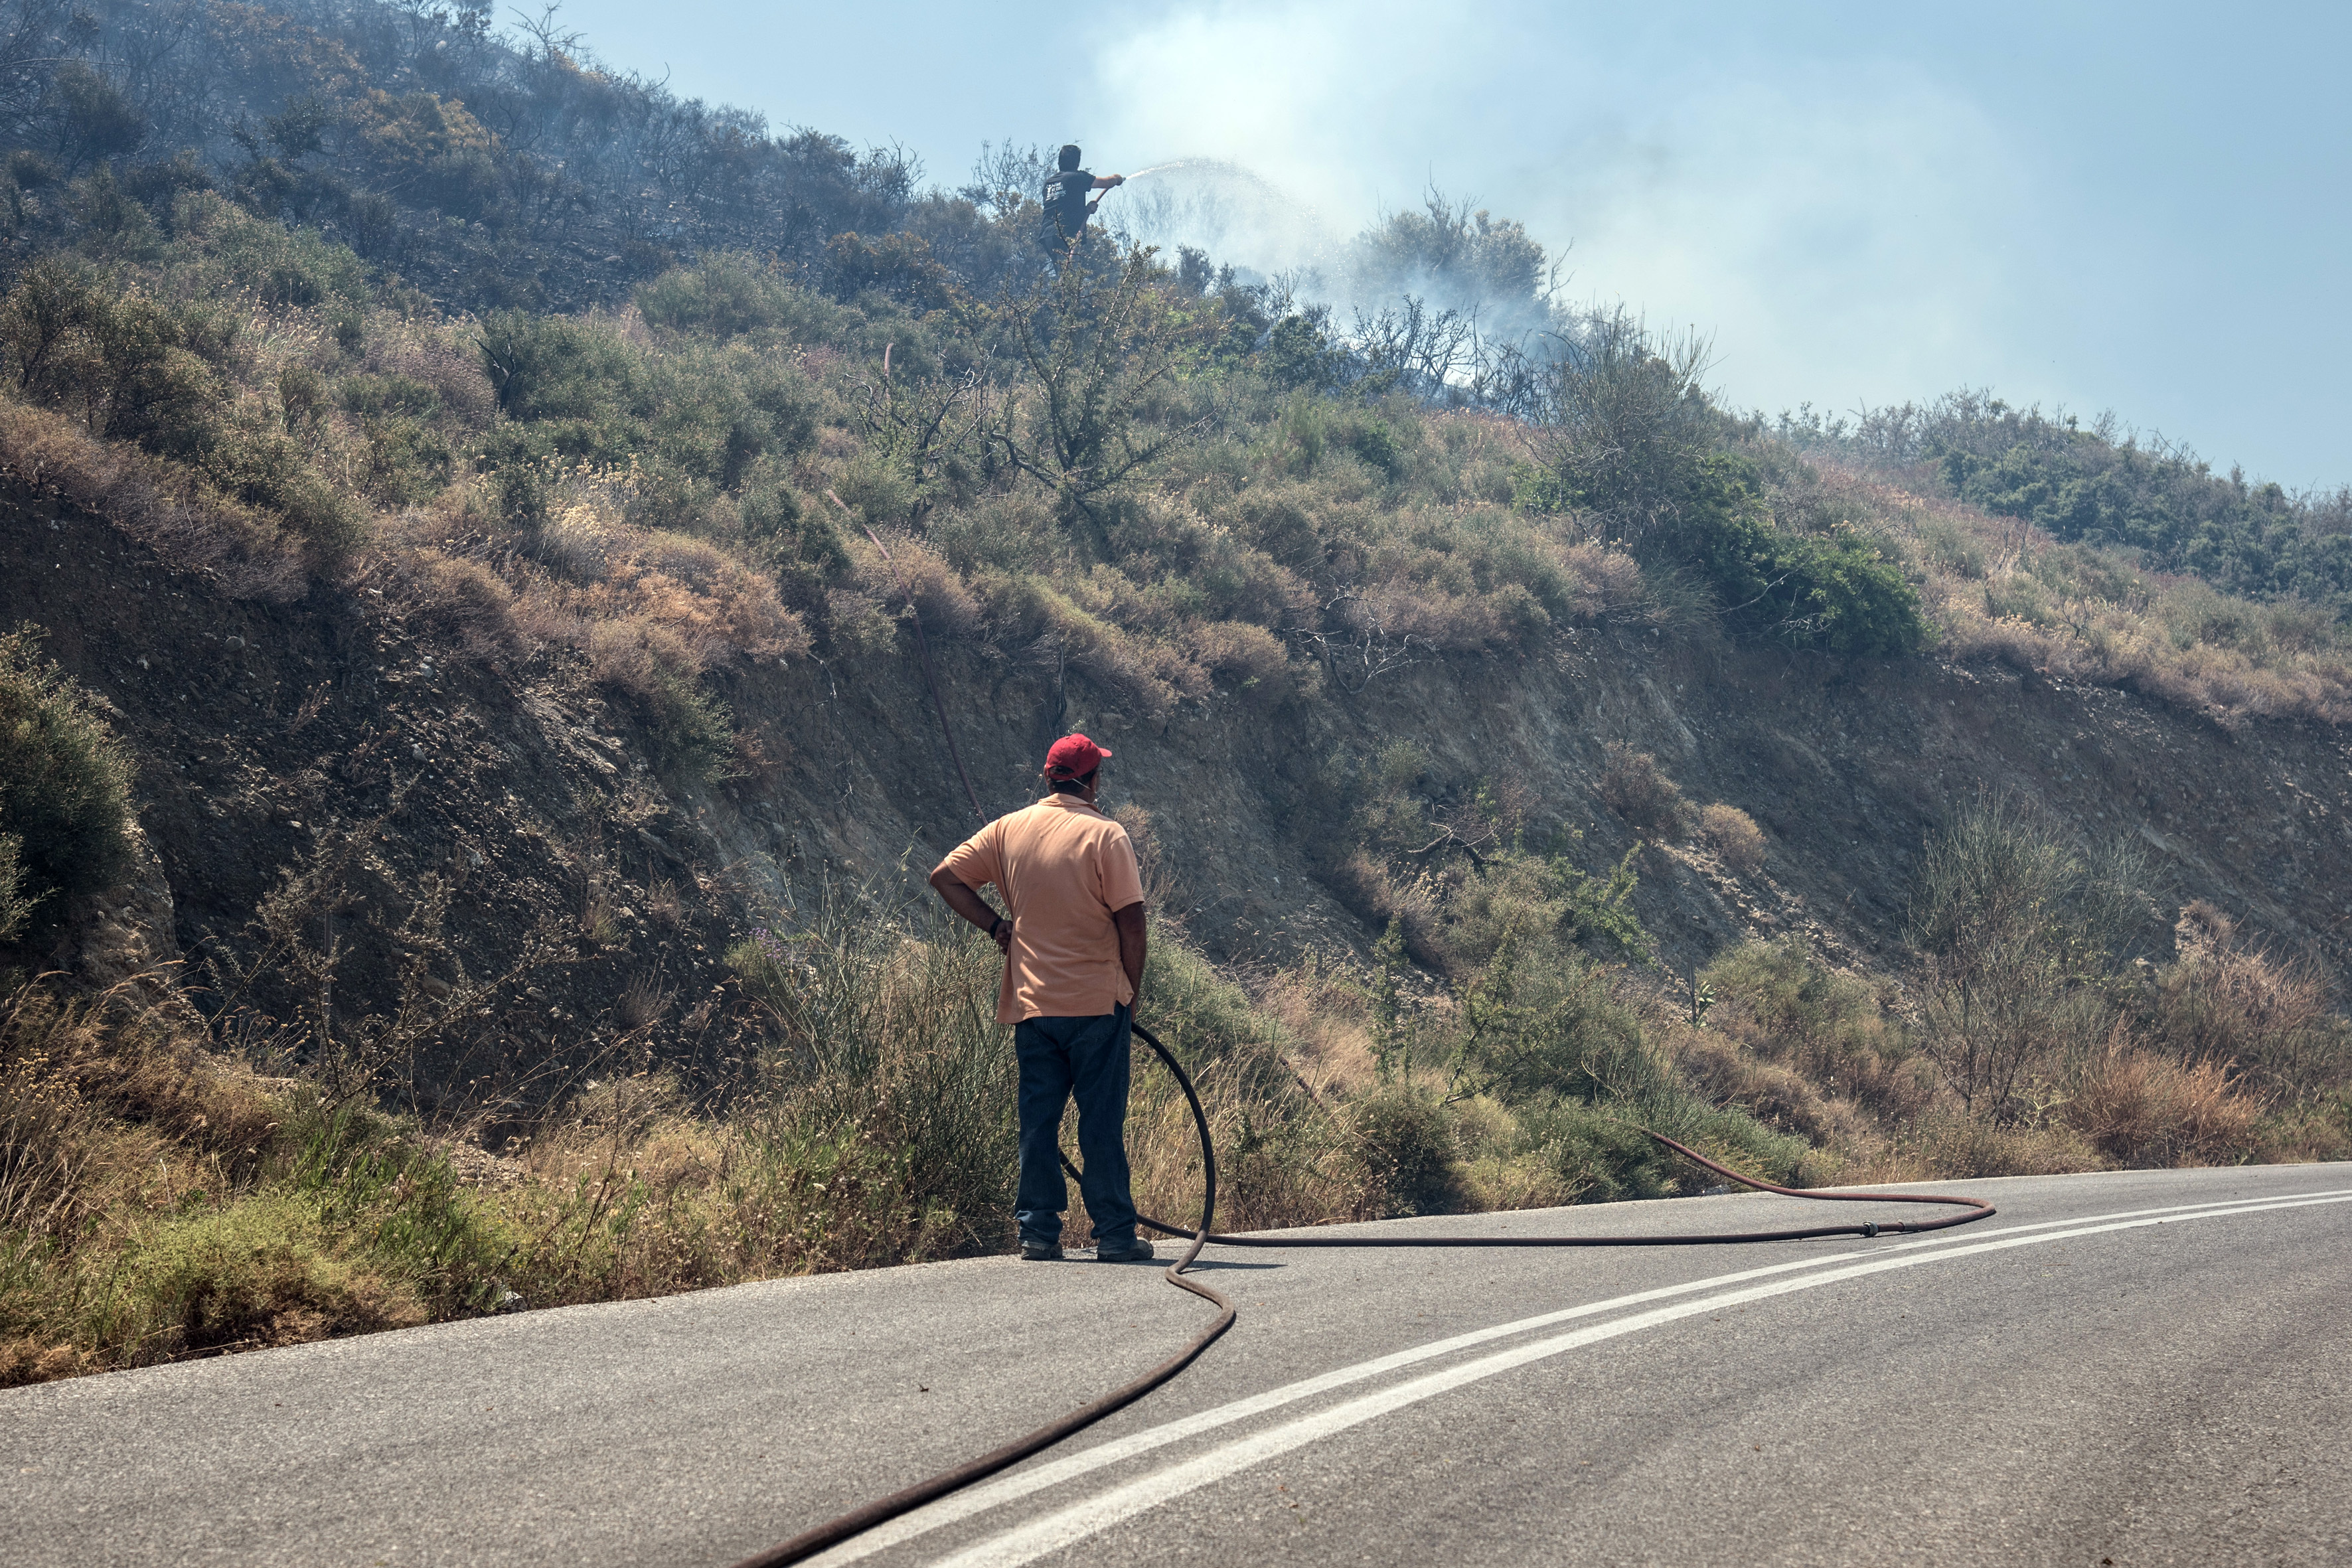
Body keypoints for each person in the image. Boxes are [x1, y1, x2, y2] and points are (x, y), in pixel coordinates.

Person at [929, 734, 1154, 1263]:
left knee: (1038, 1120)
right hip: (1098, 1003)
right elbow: (1133, 924)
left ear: (1048, 779)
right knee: (1099, 1121)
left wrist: (995, 927)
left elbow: (945, 877)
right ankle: (1116, 1236)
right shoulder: (1106, 835)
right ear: (1092, 780)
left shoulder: (1008, 829)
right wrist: (1132, 992)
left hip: (1032, 1004)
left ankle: (1037, 1232)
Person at [1038, 143, 1125, 260]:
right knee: (1070, 274)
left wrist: (1086, 210)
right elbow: (1107, 183)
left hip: (1047, 236)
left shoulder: (1049, 183)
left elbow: (1062, 205)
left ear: (1059, 162)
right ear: (1077, 164)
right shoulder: (1077, 177)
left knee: (1063, 271)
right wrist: (1117, 178)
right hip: (1066, 235)